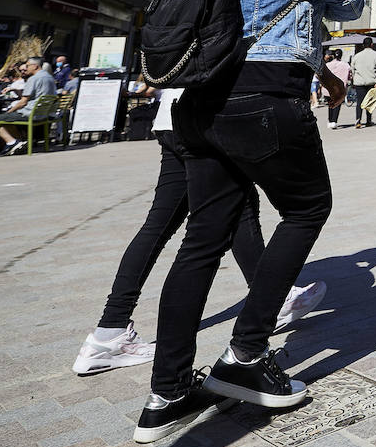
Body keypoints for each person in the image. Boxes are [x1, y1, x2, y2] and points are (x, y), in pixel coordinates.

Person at [131, 0, 364, 444]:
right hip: (264, 95)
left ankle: (168, 392)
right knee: (308, 208)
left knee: (201, 242)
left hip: (203, 102)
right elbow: (349, 4)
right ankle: (245, 351)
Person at [74, 86, 329, 376]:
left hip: (172, 117)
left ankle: (109, 330)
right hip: (209, 115)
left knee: (162, 224)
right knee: (234, 210)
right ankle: (274, 302)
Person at [0, 57, 57, 155]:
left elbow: (23, 102)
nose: (26, 68)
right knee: (7, 118)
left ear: (35, 66)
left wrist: (9, 111)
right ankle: (20, 143)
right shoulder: (49, 77)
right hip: (43, 114)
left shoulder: (34, 78)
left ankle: (12, 143)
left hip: (30, 114)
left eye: (27, 66)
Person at [350, 37, 376, 129]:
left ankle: (358, 121)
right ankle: (368, 121)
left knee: (359, 102)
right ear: (372, 44)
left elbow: (352, 69)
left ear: (363, 45)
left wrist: (353, 80)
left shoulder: (356, 56)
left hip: (359, 81)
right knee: (369, 102)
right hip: (371, 81)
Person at [322, 50, 351, 129]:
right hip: (340, 88)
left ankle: (330, 120)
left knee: (330, 104)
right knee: (337, 104)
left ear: (333, 56)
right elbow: (349, 76)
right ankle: (334, 121)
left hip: (328, 88)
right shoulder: (346, 65)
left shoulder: (327, 65)